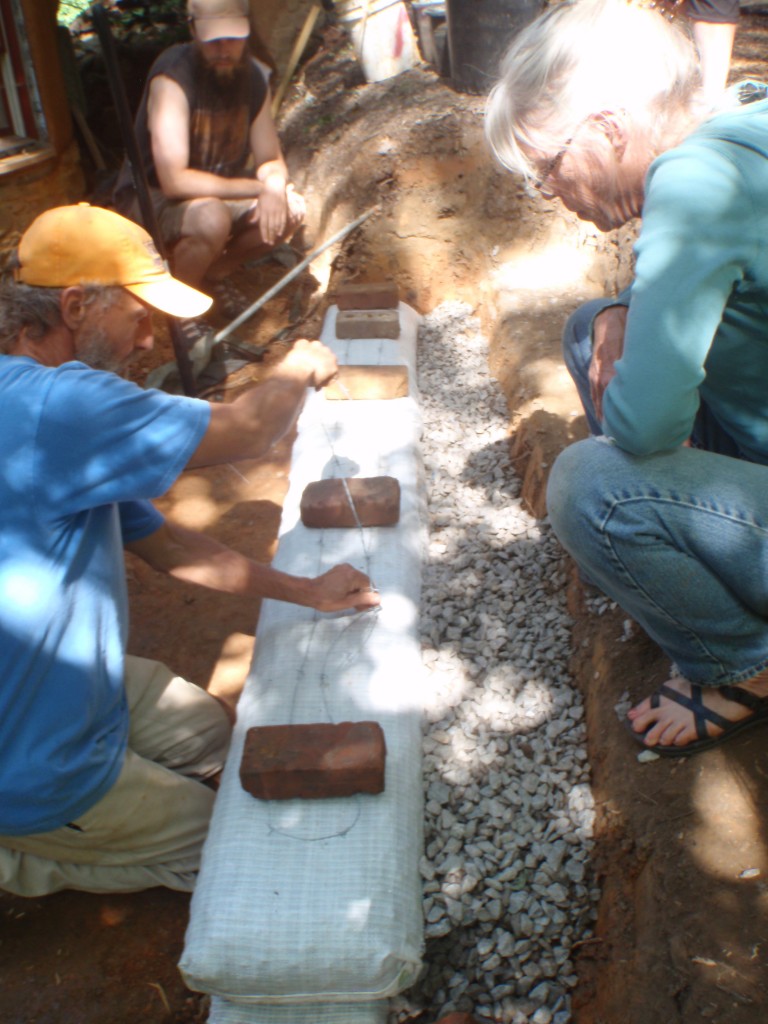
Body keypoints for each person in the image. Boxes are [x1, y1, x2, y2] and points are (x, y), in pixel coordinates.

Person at [0, 203, 380, 896]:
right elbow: (249, 431)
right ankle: (19, 849)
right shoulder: (60, 406)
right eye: (138, 316)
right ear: (76, 306)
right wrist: (296, 369)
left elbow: (168, 545)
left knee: (210, 731)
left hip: (62, 687)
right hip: (25, 761)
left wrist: (309, 591)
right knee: (228, 843)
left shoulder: (40, 413)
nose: (149, 340)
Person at [485, 0, 768, 757]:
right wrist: (624, 306)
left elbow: (645, 428)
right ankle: (680, 563)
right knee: (590, 329)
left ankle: (743, 663)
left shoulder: (698, 182)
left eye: (549, 168)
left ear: (608, 130)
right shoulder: (742, 123)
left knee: (589, 486)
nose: (552, 194)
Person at [113, 0, 304, 339]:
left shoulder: (252, 79)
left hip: (211, 194)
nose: (223, 49)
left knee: (290, 209)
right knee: (211, 218)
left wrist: (273, 185)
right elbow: (174, 181)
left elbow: (270, 158)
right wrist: (259, 189)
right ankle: (179, 306)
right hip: (149, 198)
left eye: (232, 38)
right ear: (192, 29)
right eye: (213, 39)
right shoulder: (173, 77)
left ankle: (213, 275)